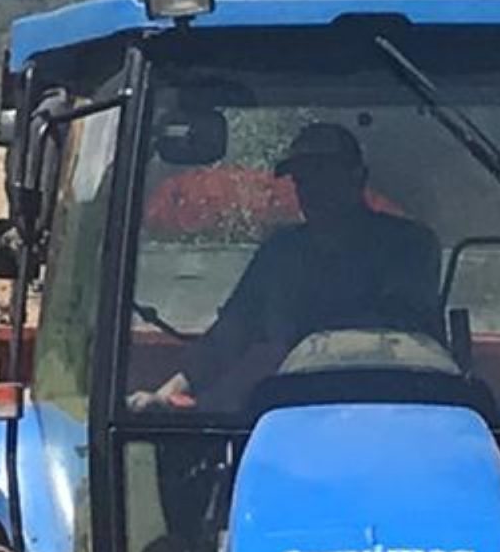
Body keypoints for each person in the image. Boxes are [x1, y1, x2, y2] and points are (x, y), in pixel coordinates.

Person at [135, 120, 442, 410]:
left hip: (395, 401)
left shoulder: (409, 245)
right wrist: (172, 389)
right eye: (302, 179)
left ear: (358, 177)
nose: (311, 190)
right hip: (297, 404)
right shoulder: (281, 252)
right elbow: (233, 330)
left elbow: (401, 323)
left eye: (324, 175)